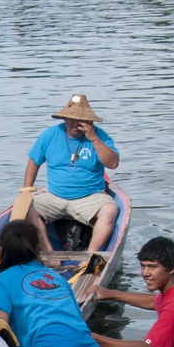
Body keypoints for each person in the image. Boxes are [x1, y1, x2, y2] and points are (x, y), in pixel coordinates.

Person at [23, 93, 120, 253]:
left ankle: (90, 255)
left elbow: (113, 163)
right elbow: (34, 162)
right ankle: (49, 253)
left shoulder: (100, 136)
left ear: (89, 121)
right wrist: (27, 189)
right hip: (55, 195)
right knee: (25, 207)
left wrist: (93, 138)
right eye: (72, 119)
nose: (76, 124)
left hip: (90, 196)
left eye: (81, 120)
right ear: (65, 118)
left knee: (110, 210)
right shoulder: (49, 135)